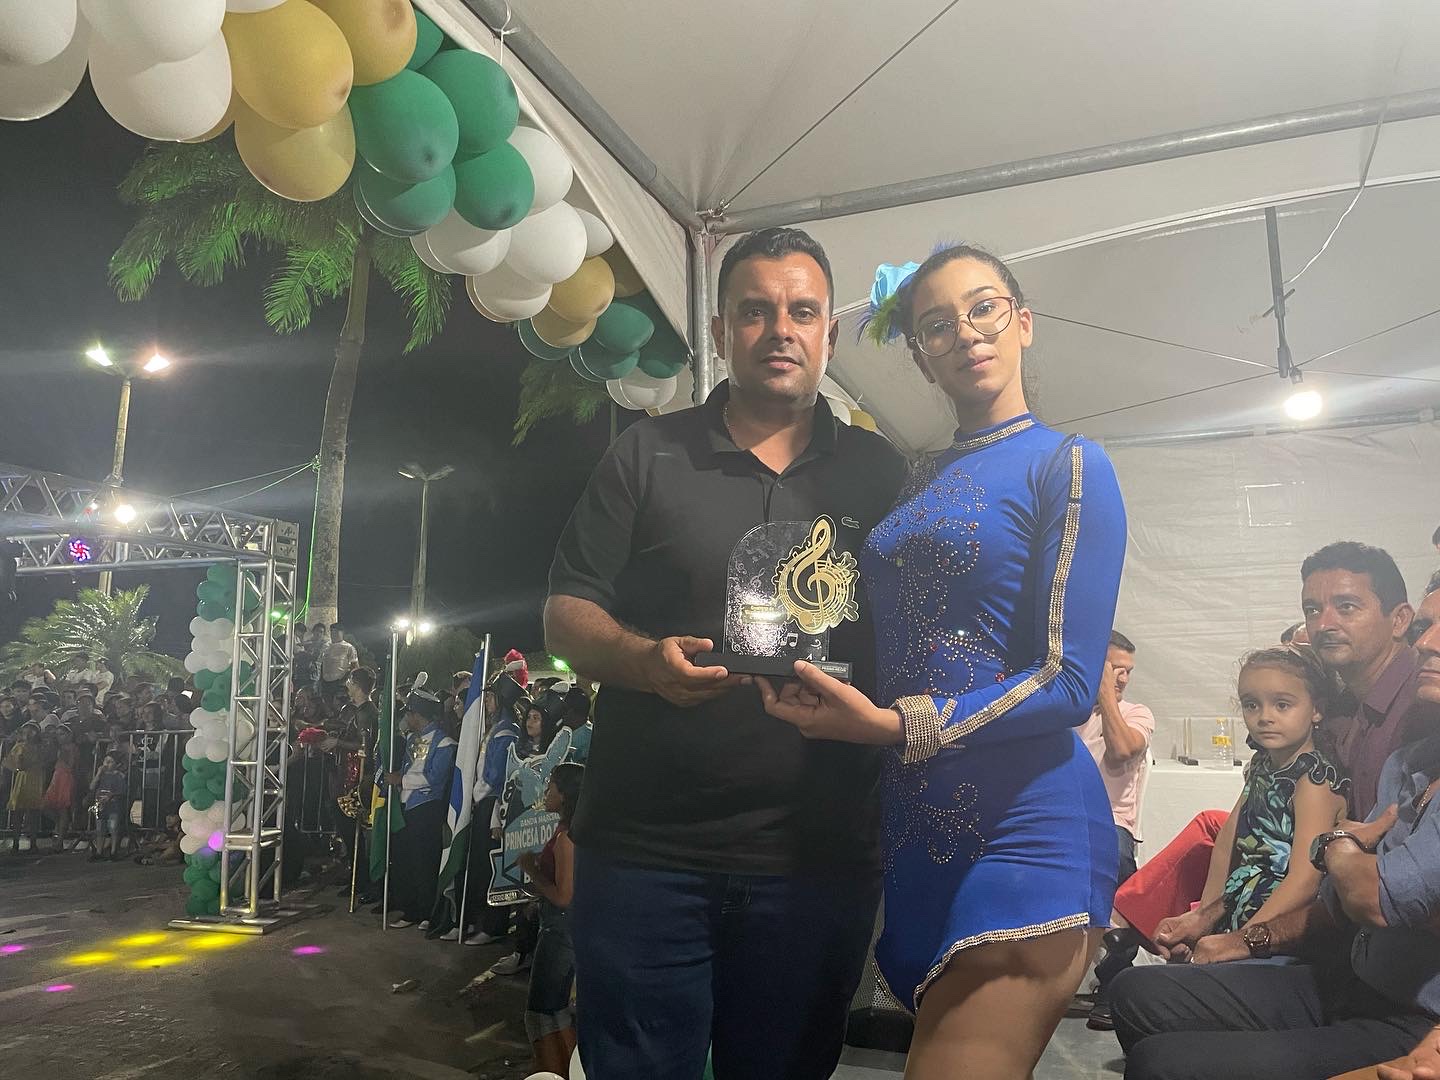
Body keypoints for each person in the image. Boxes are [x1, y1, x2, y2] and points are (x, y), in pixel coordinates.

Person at [755, 242, 1127, 1080]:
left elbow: (1069, 680)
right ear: (921, 355)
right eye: (936, 324)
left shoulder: (1068, 463)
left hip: (1027, 827)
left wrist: (895, 726)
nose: (966, 332)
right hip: (914, 831)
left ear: (1022, 321)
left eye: (983, 307)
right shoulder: (913, 476)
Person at [546, 226, 909, 1078]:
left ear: (827, 333)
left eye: (802, 311)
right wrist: (644, 663)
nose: (780, 329)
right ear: (719, 332)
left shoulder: (882, 473)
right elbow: (565, 615)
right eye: (755, 311)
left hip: (816, 861)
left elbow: (918, 635)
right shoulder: (647, 453)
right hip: (646, 858)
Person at [1110, 574, 1440, 1079]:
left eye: (1346, 606)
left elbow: (1368, 894)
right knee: (1133, 992)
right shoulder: (1408, 761)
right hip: (1356, 977)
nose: (1426, 642)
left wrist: (1340, 847)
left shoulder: (1317, 775)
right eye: (1425, 627)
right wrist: (1210, 920)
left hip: (1408, 1008)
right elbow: (1325, 887)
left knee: (1161, 1060)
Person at [1080, 631, 1157, 1028]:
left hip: (1111, 821)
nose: (1123, 678)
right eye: (1115, 669)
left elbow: (1122, 750)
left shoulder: (1137, 714)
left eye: (1128, 671)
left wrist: (1107, 695)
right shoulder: (1067, 715)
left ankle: (1114, 982)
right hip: (1061, 818)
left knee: (1115, 855)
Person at [517, 762, 584, 1074]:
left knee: (542, 1012)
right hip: (560, 926)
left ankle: (553, 1072)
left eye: (551, 787)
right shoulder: (570, 832)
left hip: (560, 931)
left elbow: (565, 896)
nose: (546, 792)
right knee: (554, 1011)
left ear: (565, 795)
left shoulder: (566, 839)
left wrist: (531, 869)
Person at [384, 680, 457, 929]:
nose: (407, 718)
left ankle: (427, 912)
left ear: (418, 715)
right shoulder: (412, 739)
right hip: (407, 807)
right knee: (406, 860)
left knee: (424, 862)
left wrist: (401, 780)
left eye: (409, 713)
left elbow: (436, 779)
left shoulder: (445, 743)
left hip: (427, 808)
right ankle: (411, 909)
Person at [4, 722, 46, 853]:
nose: (28, 734)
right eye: (26, 731)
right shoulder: (19, 747)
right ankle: (15, 843)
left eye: (31, 731)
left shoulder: (40, 748)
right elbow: (11, 764)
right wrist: (18, 763)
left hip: (35, 779)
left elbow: (43, 761)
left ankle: (33, 843)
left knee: (33, 812)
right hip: (22, 779)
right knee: (18, 812)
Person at [41, 724, 80, 852]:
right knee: (46, 806)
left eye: (62, 734)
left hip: (65, 777)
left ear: (69, 735)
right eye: (57, 735)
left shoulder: (72, 748)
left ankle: (60, 840)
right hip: (57, 776)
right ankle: (61, 825)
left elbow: (71, 766)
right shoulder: (58, 748)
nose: (59, 737)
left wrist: (63, 757)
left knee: (62, 808)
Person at [90, 751, 128, 860]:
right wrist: (98, 774)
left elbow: (122, 791)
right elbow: (92, 787)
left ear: (116, 764)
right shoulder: (101, 775)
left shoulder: (119, 776)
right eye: (105, 761)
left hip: (113, 806)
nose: (106, 764)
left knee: (113, 828)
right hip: (101, 805)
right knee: (100, 829)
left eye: (110, 761)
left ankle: (113, 851)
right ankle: (99, 852)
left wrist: (111, 796)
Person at [320, 623, 359, 701]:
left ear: (342, 633)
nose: (333, 634)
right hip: (325, 683)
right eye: (332, 631)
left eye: (336, 632)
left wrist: (345, 680)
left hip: (340, 683)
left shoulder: (349, 647)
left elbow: (355, 666)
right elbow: (322, 663)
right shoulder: (325, 646)